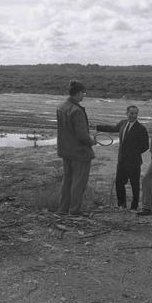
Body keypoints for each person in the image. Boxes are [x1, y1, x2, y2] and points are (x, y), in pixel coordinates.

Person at [96, 105, 149, 211]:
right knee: (119, 183)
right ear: (127, 113)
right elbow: (113, 128)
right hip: (122, 160)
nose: (133, 115)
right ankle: (122, 204)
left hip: (134, 161)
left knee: (134, 184)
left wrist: (133, 153)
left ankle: (134, 207)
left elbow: (145, 146)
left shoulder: (141, 128)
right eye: (131, 113)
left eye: (135, 113)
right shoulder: (123, 123)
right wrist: (97, 127)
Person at [56, 80, 96, 215]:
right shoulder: (77, 110)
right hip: (79, 152)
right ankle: (74, 211)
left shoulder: (61, 107)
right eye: (83, 93)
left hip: (66, 151)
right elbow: (82, 135)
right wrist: (92, 142)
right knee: (78, 183)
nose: (83, 96)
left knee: (67, 181)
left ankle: (62, 210)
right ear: (78, 93)